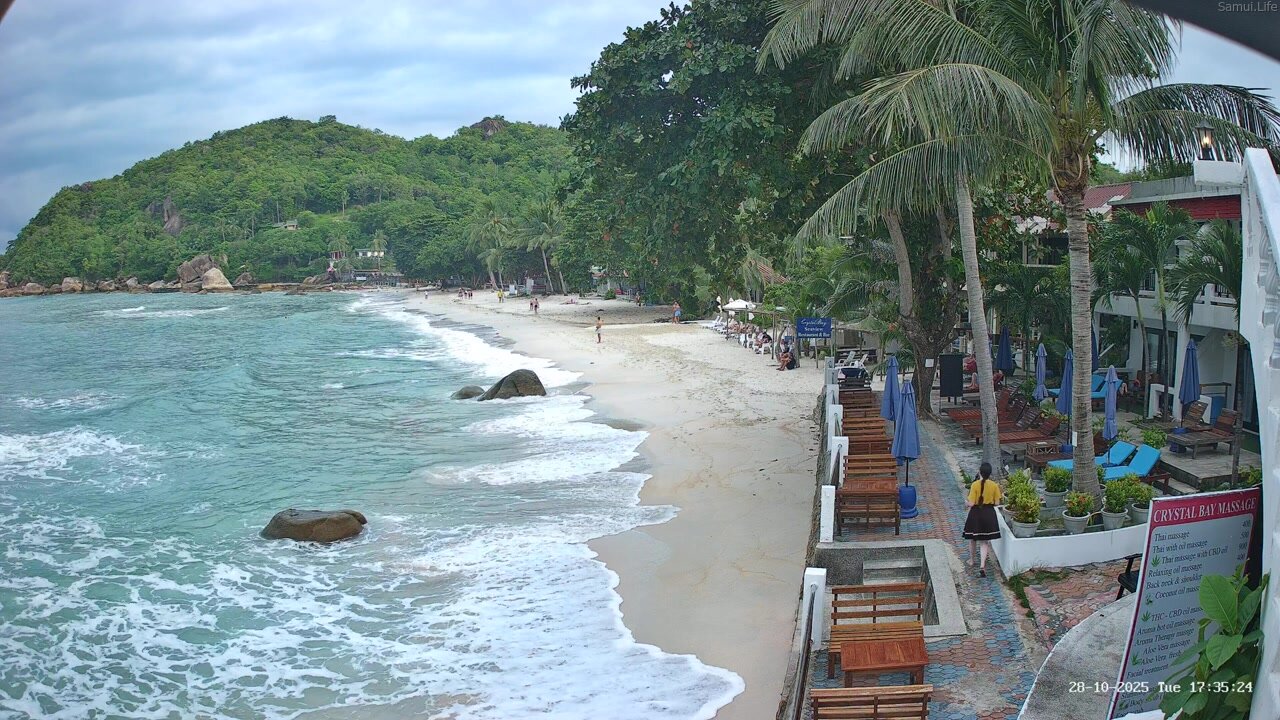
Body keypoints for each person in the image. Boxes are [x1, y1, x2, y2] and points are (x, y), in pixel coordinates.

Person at [962, 462, 1002, 577]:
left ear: (980, 472)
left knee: (972, 539)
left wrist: (966, 503)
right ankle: (982, 565)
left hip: (976, 514)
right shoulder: (994, 485)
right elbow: (997, 503)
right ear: (990, 473)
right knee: (984, 542)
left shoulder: (975, 485)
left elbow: (971, 503)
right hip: (988, 514)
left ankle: (972, 560)